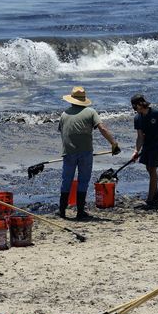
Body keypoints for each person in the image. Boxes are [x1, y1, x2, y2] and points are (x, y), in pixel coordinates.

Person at [58, 86, 121, 219]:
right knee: (83, 181)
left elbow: (63, 132)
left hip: (68, 152)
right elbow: (102, 128)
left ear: (71, 100)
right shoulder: (90, 112)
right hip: (85, 152)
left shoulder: (64, 114)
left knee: (66, 181)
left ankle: (62, 211)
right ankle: (80, 212)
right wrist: (113, 144)